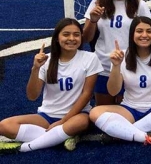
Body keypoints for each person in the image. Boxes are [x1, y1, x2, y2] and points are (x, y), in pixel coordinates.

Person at [0, 19, 101, 154]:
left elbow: (87, 94)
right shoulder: (46, 60)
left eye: (76, 34)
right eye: (66, 34)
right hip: (47, 115)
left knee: (80, 123)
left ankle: (25, 147)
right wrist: (35, 68)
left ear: (81, 37)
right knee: (5, 126)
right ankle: (62, 137)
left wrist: (63, 121)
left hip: (76, 115)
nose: (71, 38)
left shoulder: (90, 58)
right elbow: (32, 95)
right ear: (57, 38)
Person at [90, 17, 151, 146]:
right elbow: (113, 91)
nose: (144, 35)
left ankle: (121, 134)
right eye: (139, 31)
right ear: (132, 34)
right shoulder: (121, 56)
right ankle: (142, 136)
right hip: (130, 109)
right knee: (95, 112)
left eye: (149, 31)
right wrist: (116, 66)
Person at [83, 0, 151, 106]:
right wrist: (93, 20)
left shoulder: (140, 5)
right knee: (103, 113)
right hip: (103, 65)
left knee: (125, 111)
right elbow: (86, 38)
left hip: (131, 65)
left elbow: (150, 36)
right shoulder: (97, 2)